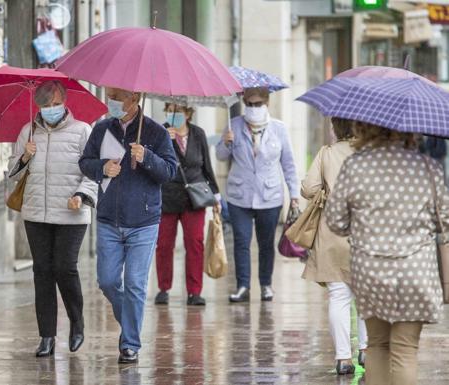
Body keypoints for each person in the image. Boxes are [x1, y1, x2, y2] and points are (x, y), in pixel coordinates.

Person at [325, 121, 445, 385]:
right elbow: (444, 224)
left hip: (371, 272)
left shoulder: (355, 167)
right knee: (404, 350)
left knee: (377, 345)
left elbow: (335, 221)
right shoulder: (428, 168)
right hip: (416, 272)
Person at [79, 87, 176, 364]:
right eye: (110, 95)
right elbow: (84, 163)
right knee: (108, 281)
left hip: (144, 221)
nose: (112, 101)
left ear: (135, 98)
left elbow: (169, 171)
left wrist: (147, 157)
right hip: (109, 218)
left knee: (135, 283)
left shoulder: (156, 132)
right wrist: (101, 168)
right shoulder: (101, 129)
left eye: (118, 96)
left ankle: (130, 343)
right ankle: (132, 322)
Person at [7, 80, 98, 357]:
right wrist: (25, 156)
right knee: (42, 272)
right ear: (38, 106)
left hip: (71, 212)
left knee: (64, 267)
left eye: (55, 104)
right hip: (36, 213)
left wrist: (81, 196)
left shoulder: (83, 131)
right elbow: (12, 171)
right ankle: (46, 335)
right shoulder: (28, 131)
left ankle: (77, 322)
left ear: (65, 102)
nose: (51, 109)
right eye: (46, 105)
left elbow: (93, 172)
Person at [215, 87, 299, 303]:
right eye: (249, 104)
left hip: (269, 196)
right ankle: (243, 286)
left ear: (267, 103)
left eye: (258, 104)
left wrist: (295, 194)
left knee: (265, 242)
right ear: (244, 104)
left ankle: (265, 284)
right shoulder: (234, 125)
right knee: (241, 241)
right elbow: (220, 156)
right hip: (239, 195)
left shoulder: (279, 129)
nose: (254, 108)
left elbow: (288, 164)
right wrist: (226, 142)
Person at [300, 118, 367, 375]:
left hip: (332, 233)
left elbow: (309, 188)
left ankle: (343, 358)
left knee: (339, 296)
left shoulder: (326, 154)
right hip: (365, 233)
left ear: (337, 128)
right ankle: (366, 350)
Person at [154, 103, 221, 306]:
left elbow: (206, 165)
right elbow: (155, 164)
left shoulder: (198, 134)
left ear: (188, 114)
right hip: (168, 196)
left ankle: (194, 291)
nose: (173, 115)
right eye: (169, 110)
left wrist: (216, 195)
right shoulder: (161, 132)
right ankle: (163, 288)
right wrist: (166, 141)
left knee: (195, 243)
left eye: (178, 112)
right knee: (164, 244)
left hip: (195, 197)